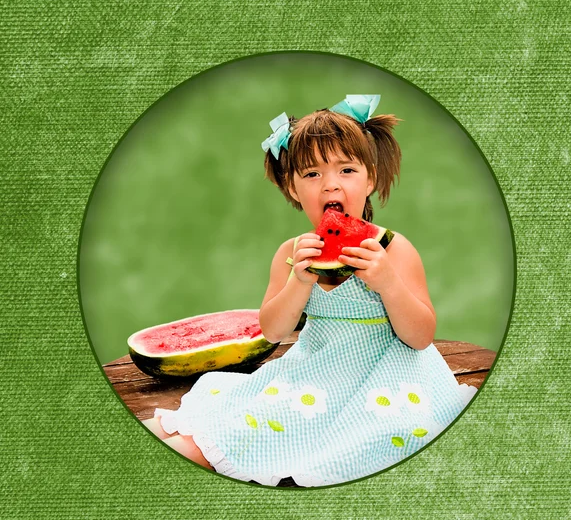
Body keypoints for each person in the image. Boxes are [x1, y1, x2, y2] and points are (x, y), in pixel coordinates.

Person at [142, 95, 477, 487]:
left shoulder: (394, 249)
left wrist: (388, 282)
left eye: (346, 170)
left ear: (370, 179)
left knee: (379, 431)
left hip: (389, 378)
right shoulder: (291, 253)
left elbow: (420, 336)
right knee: (235, 423)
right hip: (315, 374)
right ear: (292, 186)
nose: (330, 184)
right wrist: (299, 281)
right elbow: (272, 330)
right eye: (312, 174)